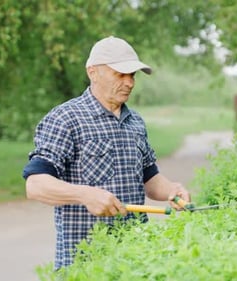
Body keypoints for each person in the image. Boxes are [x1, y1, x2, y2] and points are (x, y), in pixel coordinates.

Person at [22, 36, 191, 270]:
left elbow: (150, 179)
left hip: (136, 261)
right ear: (93, 72)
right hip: (84, 265)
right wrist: (85, 195)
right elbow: (36, 186)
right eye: (120, 74)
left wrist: (172, 190)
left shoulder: (135, 123)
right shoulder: (65, 119)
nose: (129, 83)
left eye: (132, 75)